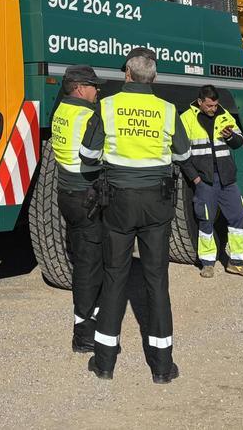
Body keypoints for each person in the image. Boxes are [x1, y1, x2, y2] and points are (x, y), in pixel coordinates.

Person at [79, 47, 190, 384]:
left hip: (119, 202)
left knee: (115, 277)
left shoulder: (107, 106)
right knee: (157, 280)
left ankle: (105, 363)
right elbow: (183, 153)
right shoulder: (168, 109)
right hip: (157, 203)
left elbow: (87, 155)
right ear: (152, 77)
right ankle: (161, 366)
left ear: (127, 73)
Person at [49, 64, 106, 353]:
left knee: (83, 257)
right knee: (89, 264)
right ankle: (84, 333)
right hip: (85, 193)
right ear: (81, 88)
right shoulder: (87, 115)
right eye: (95, 86)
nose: (98, 91)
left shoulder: (62, 110)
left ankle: (89, 319)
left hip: (67, 193)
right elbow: (94, 157)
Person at [178, 85, 243, 278]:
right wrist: (195, 178)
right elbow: (180, 153)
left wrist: (232, 137)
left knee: (238, 216)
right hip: (205, 180)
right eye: (210, 105)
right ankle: (207, 263)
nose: (213, 108)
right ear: (200, 102)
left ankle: (237, 262)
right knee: (206, 220)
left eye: (215, 104)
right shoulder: (186, 118)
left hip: (227, 179)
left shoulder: (225, 116)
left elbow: (238, 142)